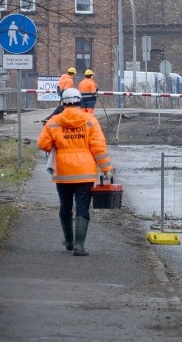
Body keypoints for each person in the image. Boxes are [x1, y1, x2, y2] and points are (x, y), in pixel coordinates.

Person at [37, 88, 114, 257]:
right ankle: (79, 246)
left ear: (62, 103)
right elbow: (98, 148)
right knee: (82, 208)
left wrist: (58, 145)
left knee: (65, 206)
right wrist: (107, 169)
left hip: (63, 173)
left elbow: (43, 144)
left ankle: (69, 241)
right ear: (80, 101)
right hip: (85, 173)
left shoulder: (54, 121)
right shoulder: (90, 121)